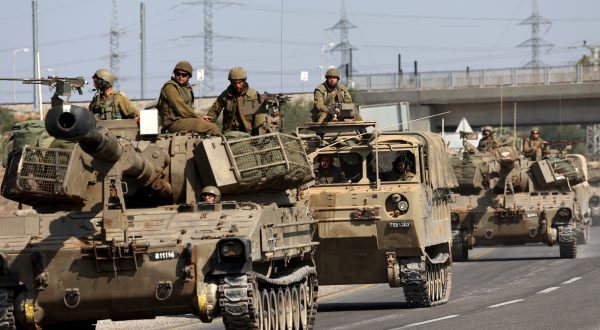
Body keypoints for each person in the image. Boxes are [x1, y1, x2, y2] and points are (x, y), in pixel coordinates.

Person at [157, 61, 221, 134]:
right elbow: (181, 108)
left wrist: (200, 116)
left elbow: (188, 109)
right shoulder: (170, 87)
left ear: (189, 77)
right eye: (178, 74)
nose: (180, 76)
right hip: (174, 123)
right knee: (212, 127)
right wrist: (199, 117)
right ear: (174, 74)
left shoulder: (186, 88)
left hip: (184, 120)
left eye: (184, 75)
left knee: (209, 125)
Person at [204, 67, 264, 135]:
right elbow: (215, 110)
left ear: (244, 81)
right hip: (229, 133)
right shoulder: (225, 95)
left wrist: (256, 136)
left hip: (248, 134)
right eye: (234, 83)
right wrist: (207, 123)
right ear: (231, 82)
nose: (237, 85)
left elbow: (259, 119)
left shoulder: (253, 95)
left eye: (239, 83)